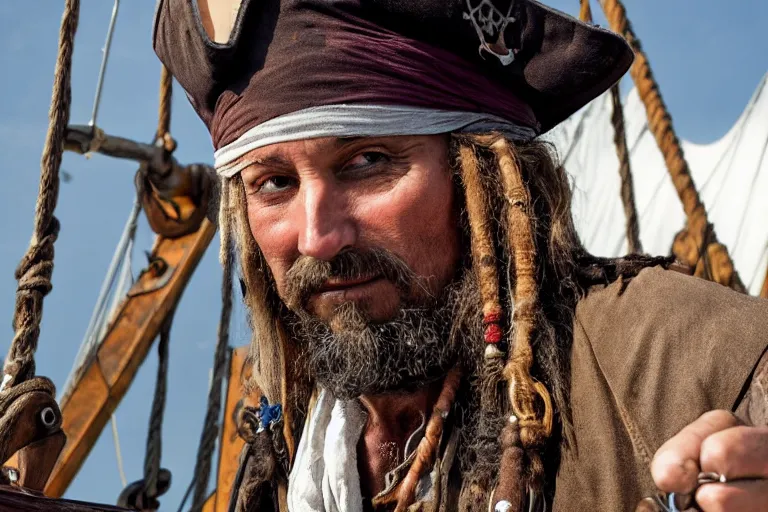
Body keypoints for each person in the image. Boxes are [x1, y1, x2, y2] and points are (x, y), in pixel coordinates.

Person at [153, 0, 768, 510]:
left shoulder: (679, 354)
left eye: (368, 162)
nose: (317, 238)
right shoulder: (281, 458)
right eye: (274, 184)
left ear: (490, 177)